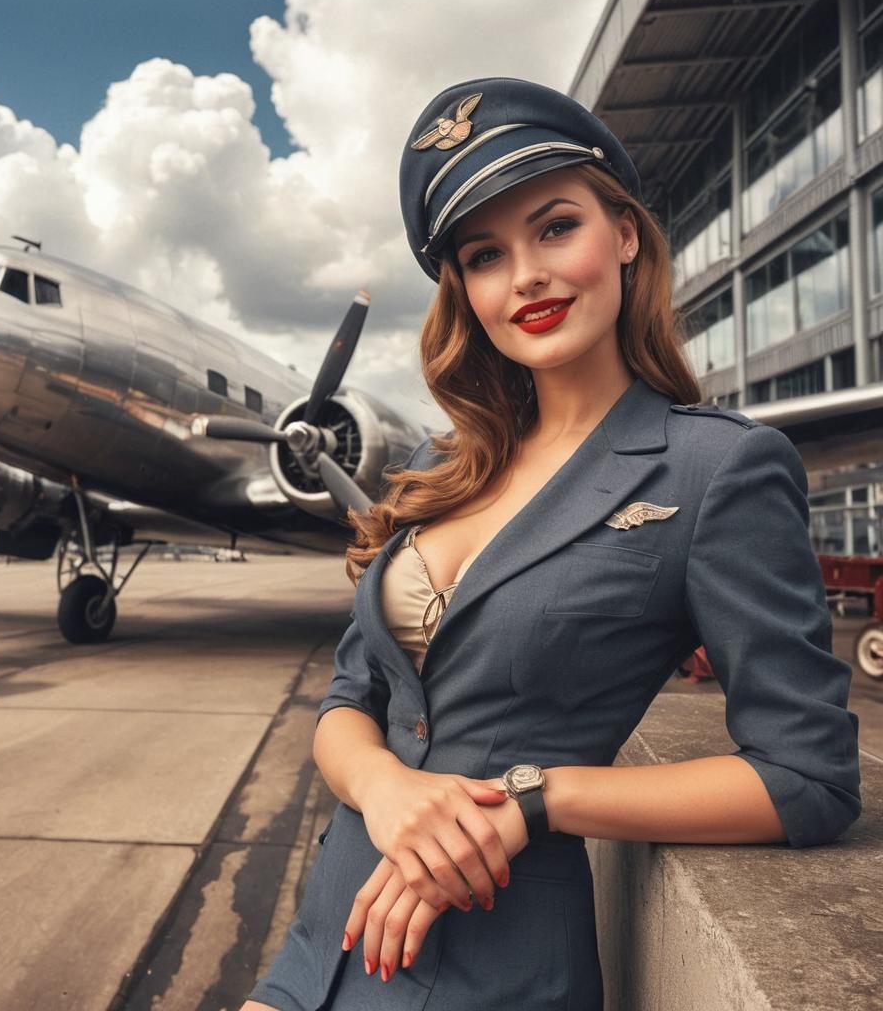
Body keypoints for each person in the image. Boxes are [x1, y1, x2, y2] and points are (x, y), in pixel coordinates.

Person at [240, 77, 862, 1011]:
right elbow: (350, 696)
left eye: (555, 227)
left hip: (492, 970)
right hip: (325, 944)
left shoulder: (715, 469)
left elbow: (807, 777)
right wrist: (386, 789)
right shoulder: (436, 463)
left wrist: (536, 799)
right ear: (467, 292)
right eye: (486, 254)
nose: (525, 275)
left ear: (624, 236)